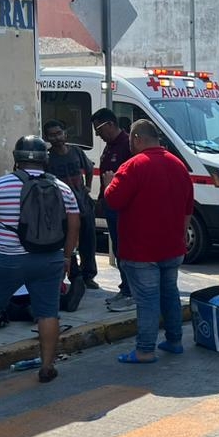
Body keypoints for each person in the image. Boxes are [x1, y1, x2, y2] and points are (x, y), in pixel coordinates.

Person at [0, 136, 80, 383]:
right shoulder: (62, 187)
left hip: (8, 259)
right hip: (49, 260)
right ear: (44, 159)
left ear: (17, 158)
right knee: (48, 312)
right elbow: (73, 225)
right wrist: (67, 256)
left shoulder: (1, 185)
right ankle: (47, 365)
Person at [105, 119, 194, 364]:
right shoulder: (178, 165)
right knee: (170, 294)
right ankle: (174, 341)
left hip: (141, 250)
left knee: (147, 300)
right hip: (172, 248)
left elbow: (113, 201)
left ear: (137, 139)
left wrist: (108, 183)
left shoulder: (133, 166)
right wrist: (179, 237)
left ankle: (145, 350)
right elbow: (188, 209)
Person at [43, 119, 99, 288]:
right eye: (52, 135)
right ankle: (76, 276)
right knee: (68, 242)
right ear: (47, 138)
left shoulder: (76, 151)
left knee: (88, 241)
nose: (57, 138)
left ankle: (89, 275)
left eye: (59, 133)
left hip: (83, 204)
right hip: (62, 209)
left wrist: (88, 187)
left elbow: (89, 168)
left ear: (65, 133)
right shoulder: (47, 159)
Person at [91, 108, 136, 312]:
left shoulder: (127, 145)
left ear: (110, 124)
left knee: (127, 251)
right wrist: (102, 200)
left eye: (98, 129)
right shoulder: (109, 147)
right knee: (119, 250)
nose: (97, 135)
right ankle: (125, 287)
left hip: (124, 209)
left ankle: (131, 292)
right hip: (111, 207)